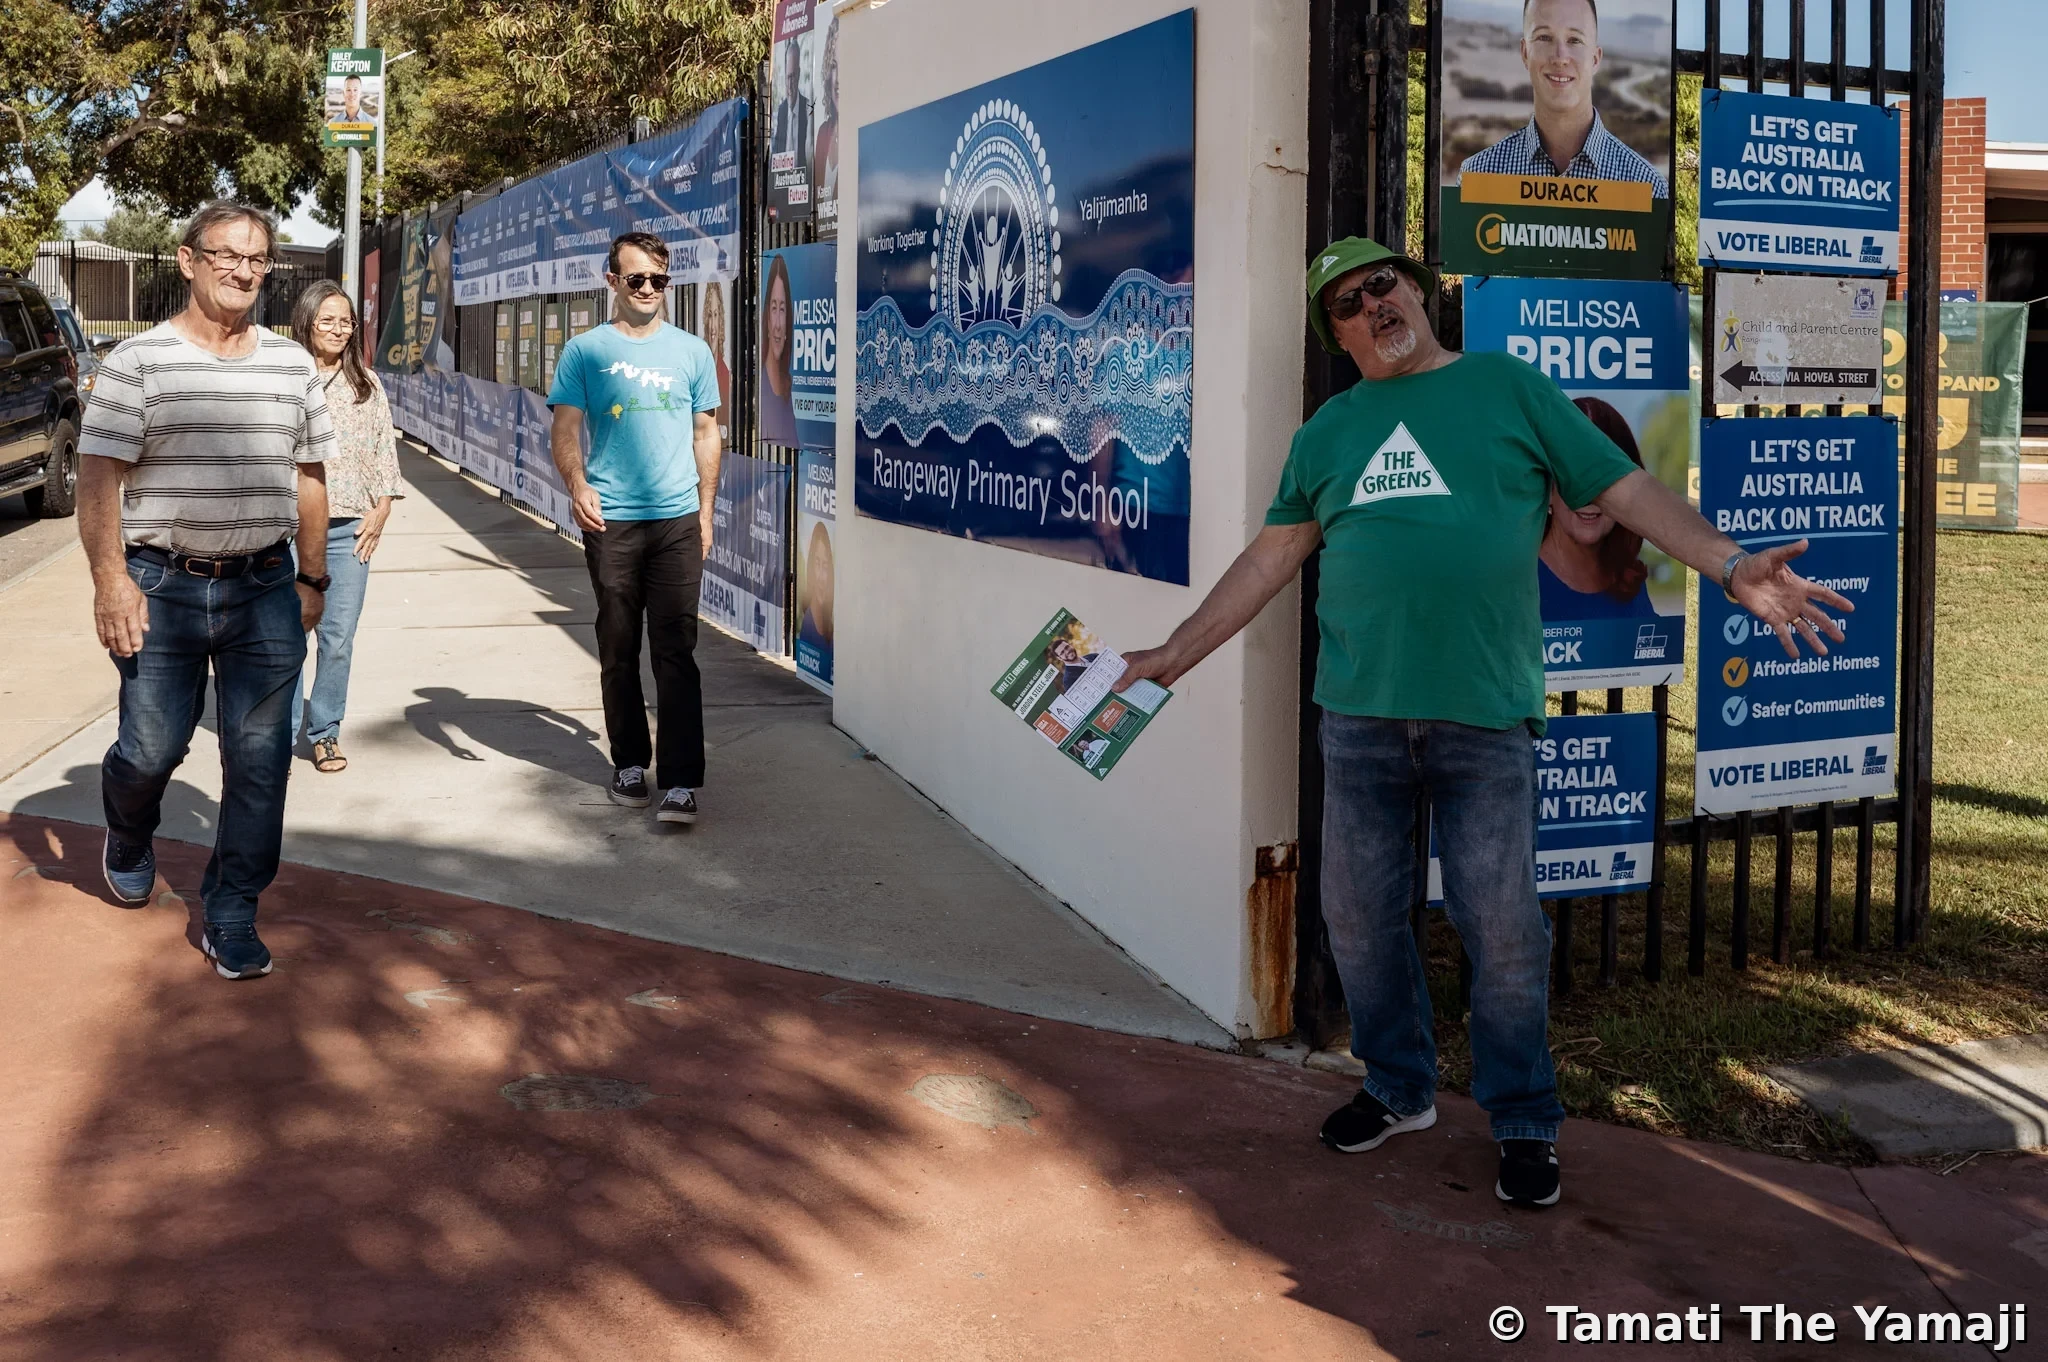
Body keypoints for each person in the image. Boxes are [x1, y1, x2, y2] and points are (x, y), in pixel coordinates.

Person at [1118, 236, 1851, 1208]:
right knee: (1358, 922)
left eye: (1382, 285)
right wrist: (1176, 650)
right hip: (1359, 720)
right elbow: (1269, 558)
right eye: (1344, 303)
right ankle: (1396, 1087)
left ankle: (1521, 1116)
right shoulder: (1328, 432)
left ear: (1418, 296)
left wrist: (1725, 566)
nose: (1370, 306)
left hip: (1482, 718)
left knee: (1500, 929)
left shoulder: (1506, 388)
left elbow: (1621, 488)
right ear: (1334, 336)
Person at [76, 201, 336, 981]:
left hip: (265, 587)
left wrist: (313, 576)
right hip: (162, 585)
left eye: (257, 259)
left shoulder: (291, 364)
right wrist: (110, 580)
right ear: (188, 261)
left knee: (260, 759)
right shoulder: (138, 362)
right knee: (152, 748)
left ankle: (232, 910)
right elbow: (97, 481)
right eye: (226, 255)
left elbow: (312, 477)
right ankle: (128, 829)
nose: (243, 271)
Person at [548, 231, 723, 825]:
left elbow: (706, 434)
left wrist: (706, 512)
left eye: (659, 280)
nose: (648, 290)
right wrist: (577, 486)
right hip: (612, 522)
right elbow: (565, 429)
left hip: (676, 521)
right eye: (637, 279)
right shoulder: (584, 352)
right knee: (618, 647)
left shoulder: (692, 351)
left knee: (677, 651)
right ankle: (628, 761)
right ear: (612, 282)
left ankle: (679, 781)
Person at [288, 281, 404, 773]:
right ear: (307, 322)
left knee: (337, 637)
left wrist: (382, 507)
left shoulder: (367, 383)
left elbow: (384, 449)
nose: (338, 329)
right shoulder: (287, 377)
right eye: (327, 319)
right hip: (290, 530)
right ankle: (277, 736)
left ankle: (325, 732)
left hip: (349, 530)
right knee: (288, 635)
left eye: (346, 321)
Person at [1457, 0, 1669, 197]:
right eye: (1544, 38)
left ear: (1595, 59)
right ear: (1524, 53)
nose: (1560, 57)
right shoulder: (1478, 176)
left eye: (1574, 40)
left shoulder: (1647, 188)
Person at [1538, 396, 1656, 618]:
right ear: (1547, 487)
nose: (1590, 494)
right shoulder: (1514, 583)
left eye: (1605, 475)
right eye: (1576, 475)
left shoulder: (1630, 581)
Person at [759, 254, 797, 445]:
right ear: (766, 318)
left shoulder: (787, 388)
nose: (777, 325)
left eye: (782, 309)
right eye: (774, 308)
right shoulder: (758, 386)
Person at [699, 281, 732, 438]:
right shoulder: (698, 367)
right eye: (709, 315)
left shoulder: (725, 374)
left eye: (716, 315)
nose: (712, 326)